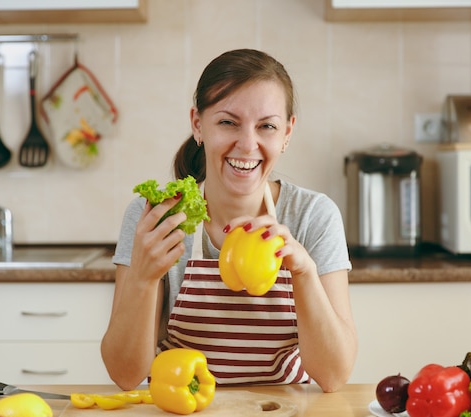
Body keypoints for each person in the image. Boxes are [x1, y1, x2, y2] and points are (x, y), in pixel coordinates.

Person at [101, 48, 357, 393]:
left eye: (267, 126)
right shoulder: (156, 216)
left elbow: (334, 375)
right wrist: (144, 280)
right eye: (227, 122)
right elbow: (124, 374)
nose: (248, 144)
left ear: (287, 133)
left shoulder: (313, 215)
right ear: (197, 124)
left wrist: (305, 273)